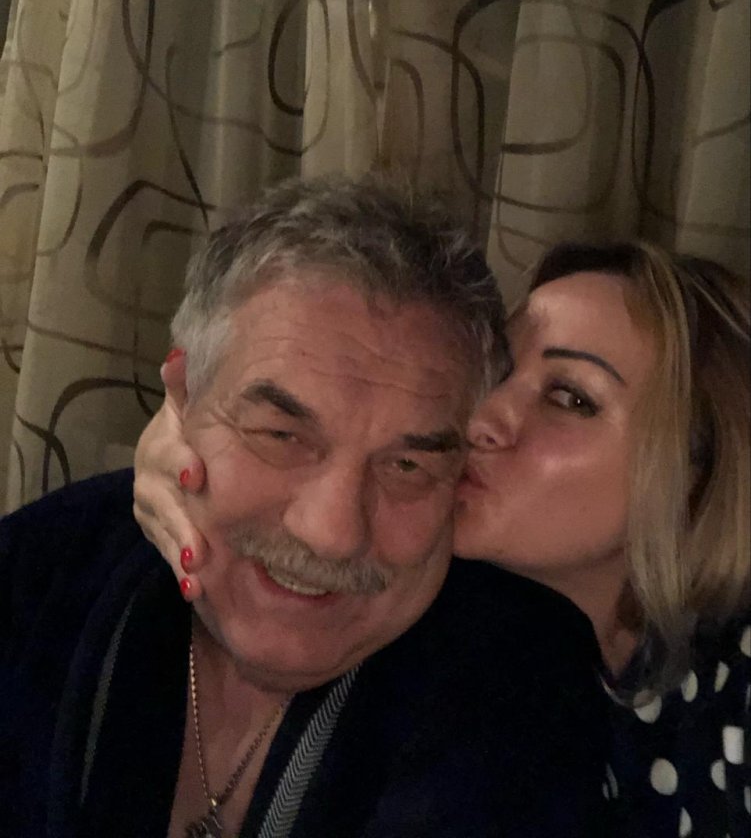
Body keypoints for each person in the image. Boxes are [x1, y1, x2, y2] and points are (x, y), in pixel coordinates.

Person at [0, 179, 610, 838]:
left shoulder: (517, 686)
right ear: (181, 397)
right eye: (280, 435)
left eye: (407, 466)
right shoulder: (36, 578)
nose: (331, 533)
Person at [137, 236, 751, 838]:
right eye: (498, 372)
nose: (478, 419)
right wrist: (193, 438)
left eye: (570, 398)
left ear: (696, 474)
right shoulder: (393, 606)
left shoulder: (730, 692)